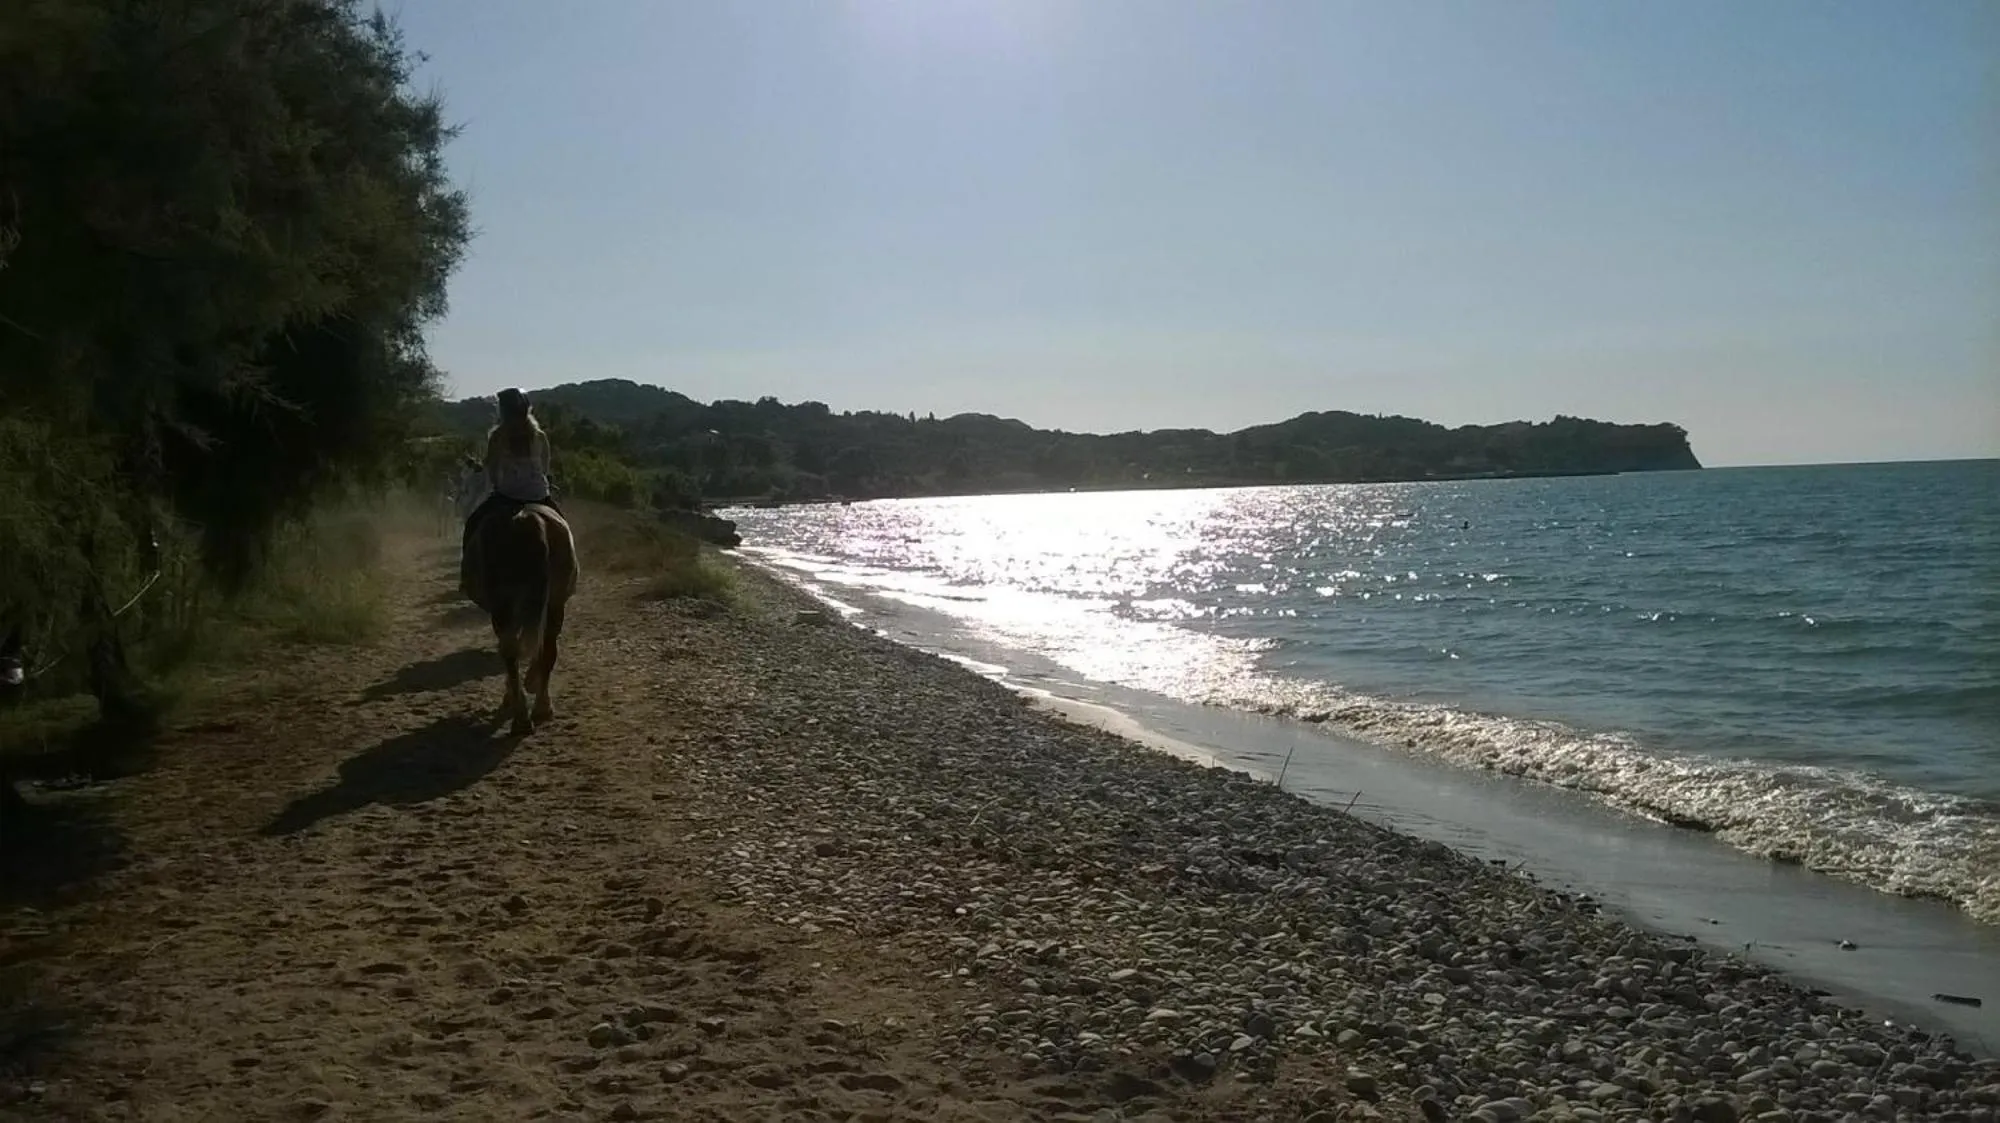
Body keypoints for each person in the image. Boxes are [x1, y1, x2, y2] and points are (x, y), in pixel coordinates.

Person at [460, 388, 559, 600]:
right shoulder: (540, 436)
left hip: (507, 496)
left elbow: (493, 470)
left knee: (473, 524)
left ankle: (468, 578)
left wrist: (499, 484)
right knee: (562, 526)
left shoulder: (497, 436)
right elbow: (545, 468)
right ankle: (568, 576)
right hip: (538, 494)